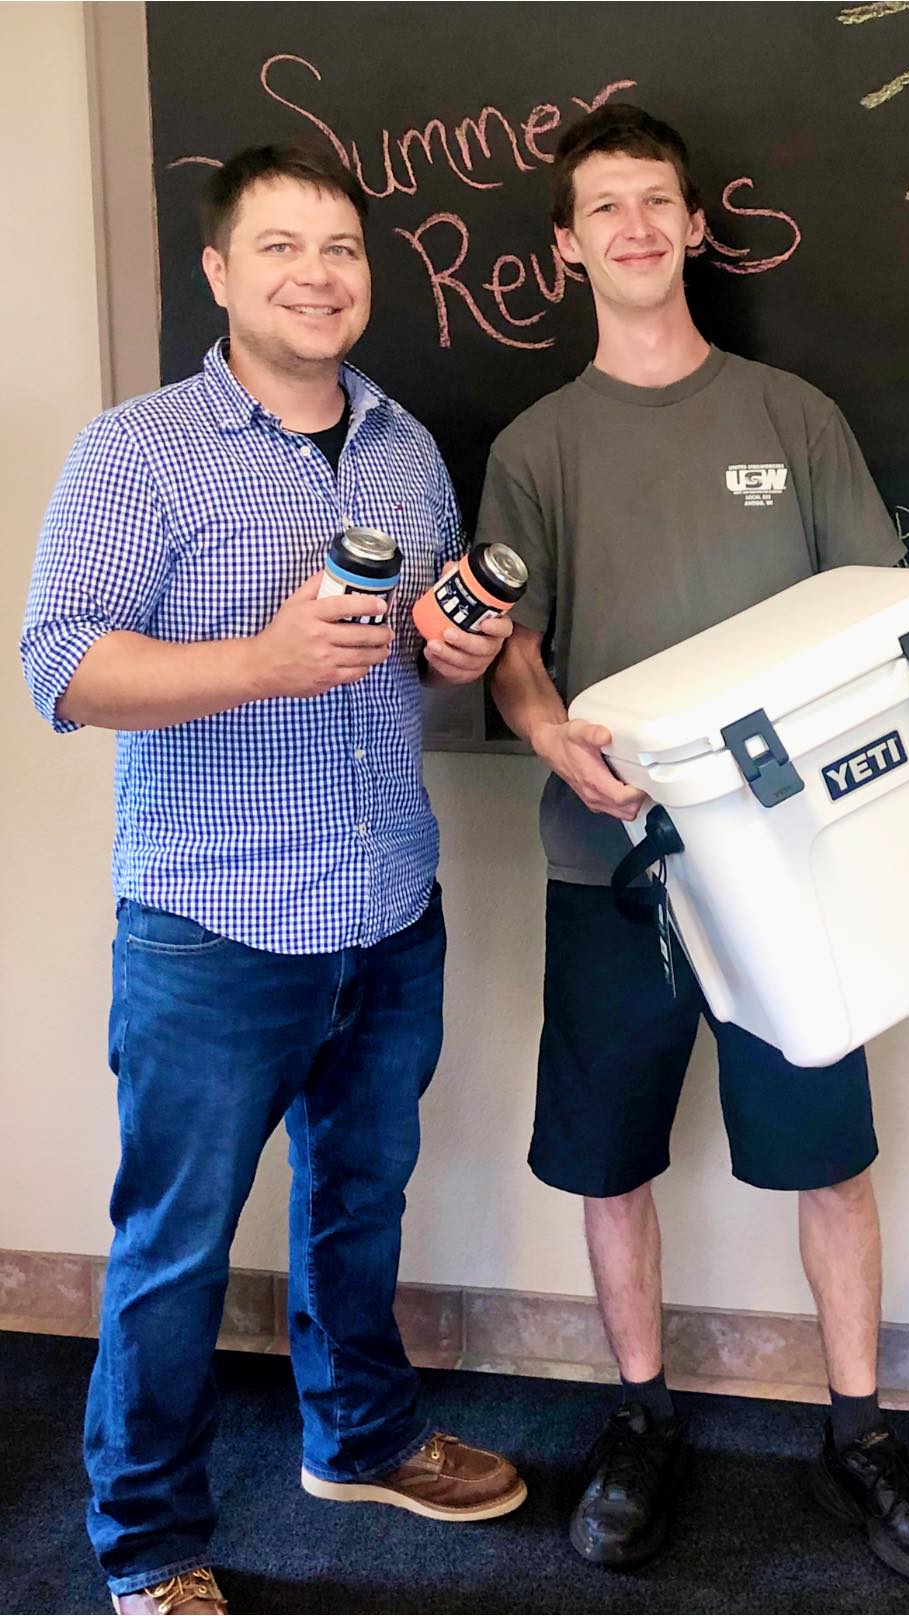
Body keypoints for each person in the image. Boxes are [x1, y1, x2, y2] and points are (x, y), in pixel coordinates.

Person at [21, 145, 524, 1616]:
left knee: (360, 1202)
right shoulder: (140, 448)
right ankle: (146, 1546)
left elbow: (412, 662)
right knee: (174, 1249)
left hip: (389, 906)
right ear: (220, 273)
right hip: (213, 924)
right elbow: (61, 670)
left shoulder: (405, 448)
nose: (319, 274)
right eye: (283, 247)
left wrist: (454, 653)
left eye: (343, 249)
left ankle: (358, 1440)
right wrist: (260, 658)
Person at [485, 105, 909, 1585]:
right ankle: (641, 1419)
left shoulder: (789, 417)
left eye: (657, 202)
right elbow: (512, 649)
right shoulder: (534, 447)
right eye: (604, 207)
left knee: (828, 1160)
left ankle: (859, 1434)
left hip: (790, 877)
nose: (634, 228)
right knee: (608, 1164)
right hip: (611, 873)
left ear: (696, 227)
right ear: (566, 246)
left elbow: (875, 621)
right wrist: (547, 732)